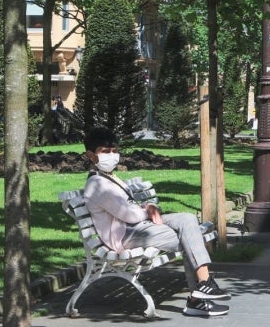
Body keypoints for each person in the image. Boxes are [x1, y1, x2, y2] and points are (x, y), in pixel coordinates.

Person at [82, 127, 231, 317]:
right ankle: (201, 291)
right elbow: (131, 215)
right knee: (190, 238)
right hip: (126, 235)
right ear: (90, 155)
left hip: (139, 227)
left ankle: (202, 288)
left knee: (188, 219)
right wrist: (147, 210)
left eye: (114, 151)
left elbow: (133, 207)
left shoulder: (108, 178)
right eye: (105, 151)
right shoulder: (97, 184)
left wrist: (149, 206)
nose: (112, 155)